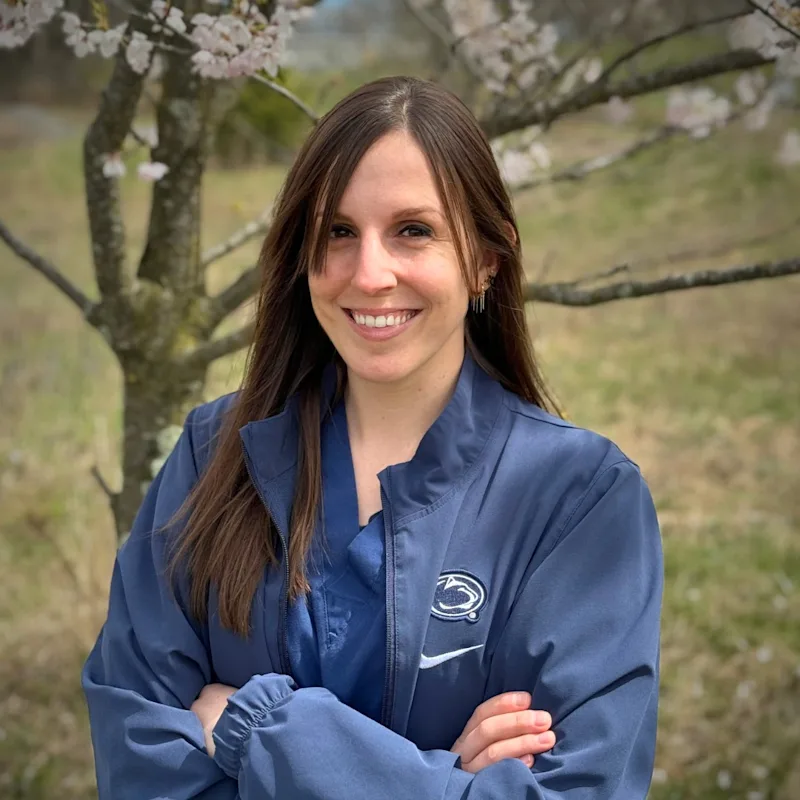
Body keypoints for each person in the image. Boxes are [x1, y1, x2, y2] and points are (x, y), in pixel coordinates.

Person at [82, 75, 663, 799]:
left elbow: (584, 792)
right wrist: (449, 780)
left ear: (487, 258)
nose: (370, 273)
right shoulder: (212, 454)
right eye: (339, 232)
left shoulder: (581, 500)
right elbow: (140, 769)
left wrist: (264, 731)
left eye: (413, 230)